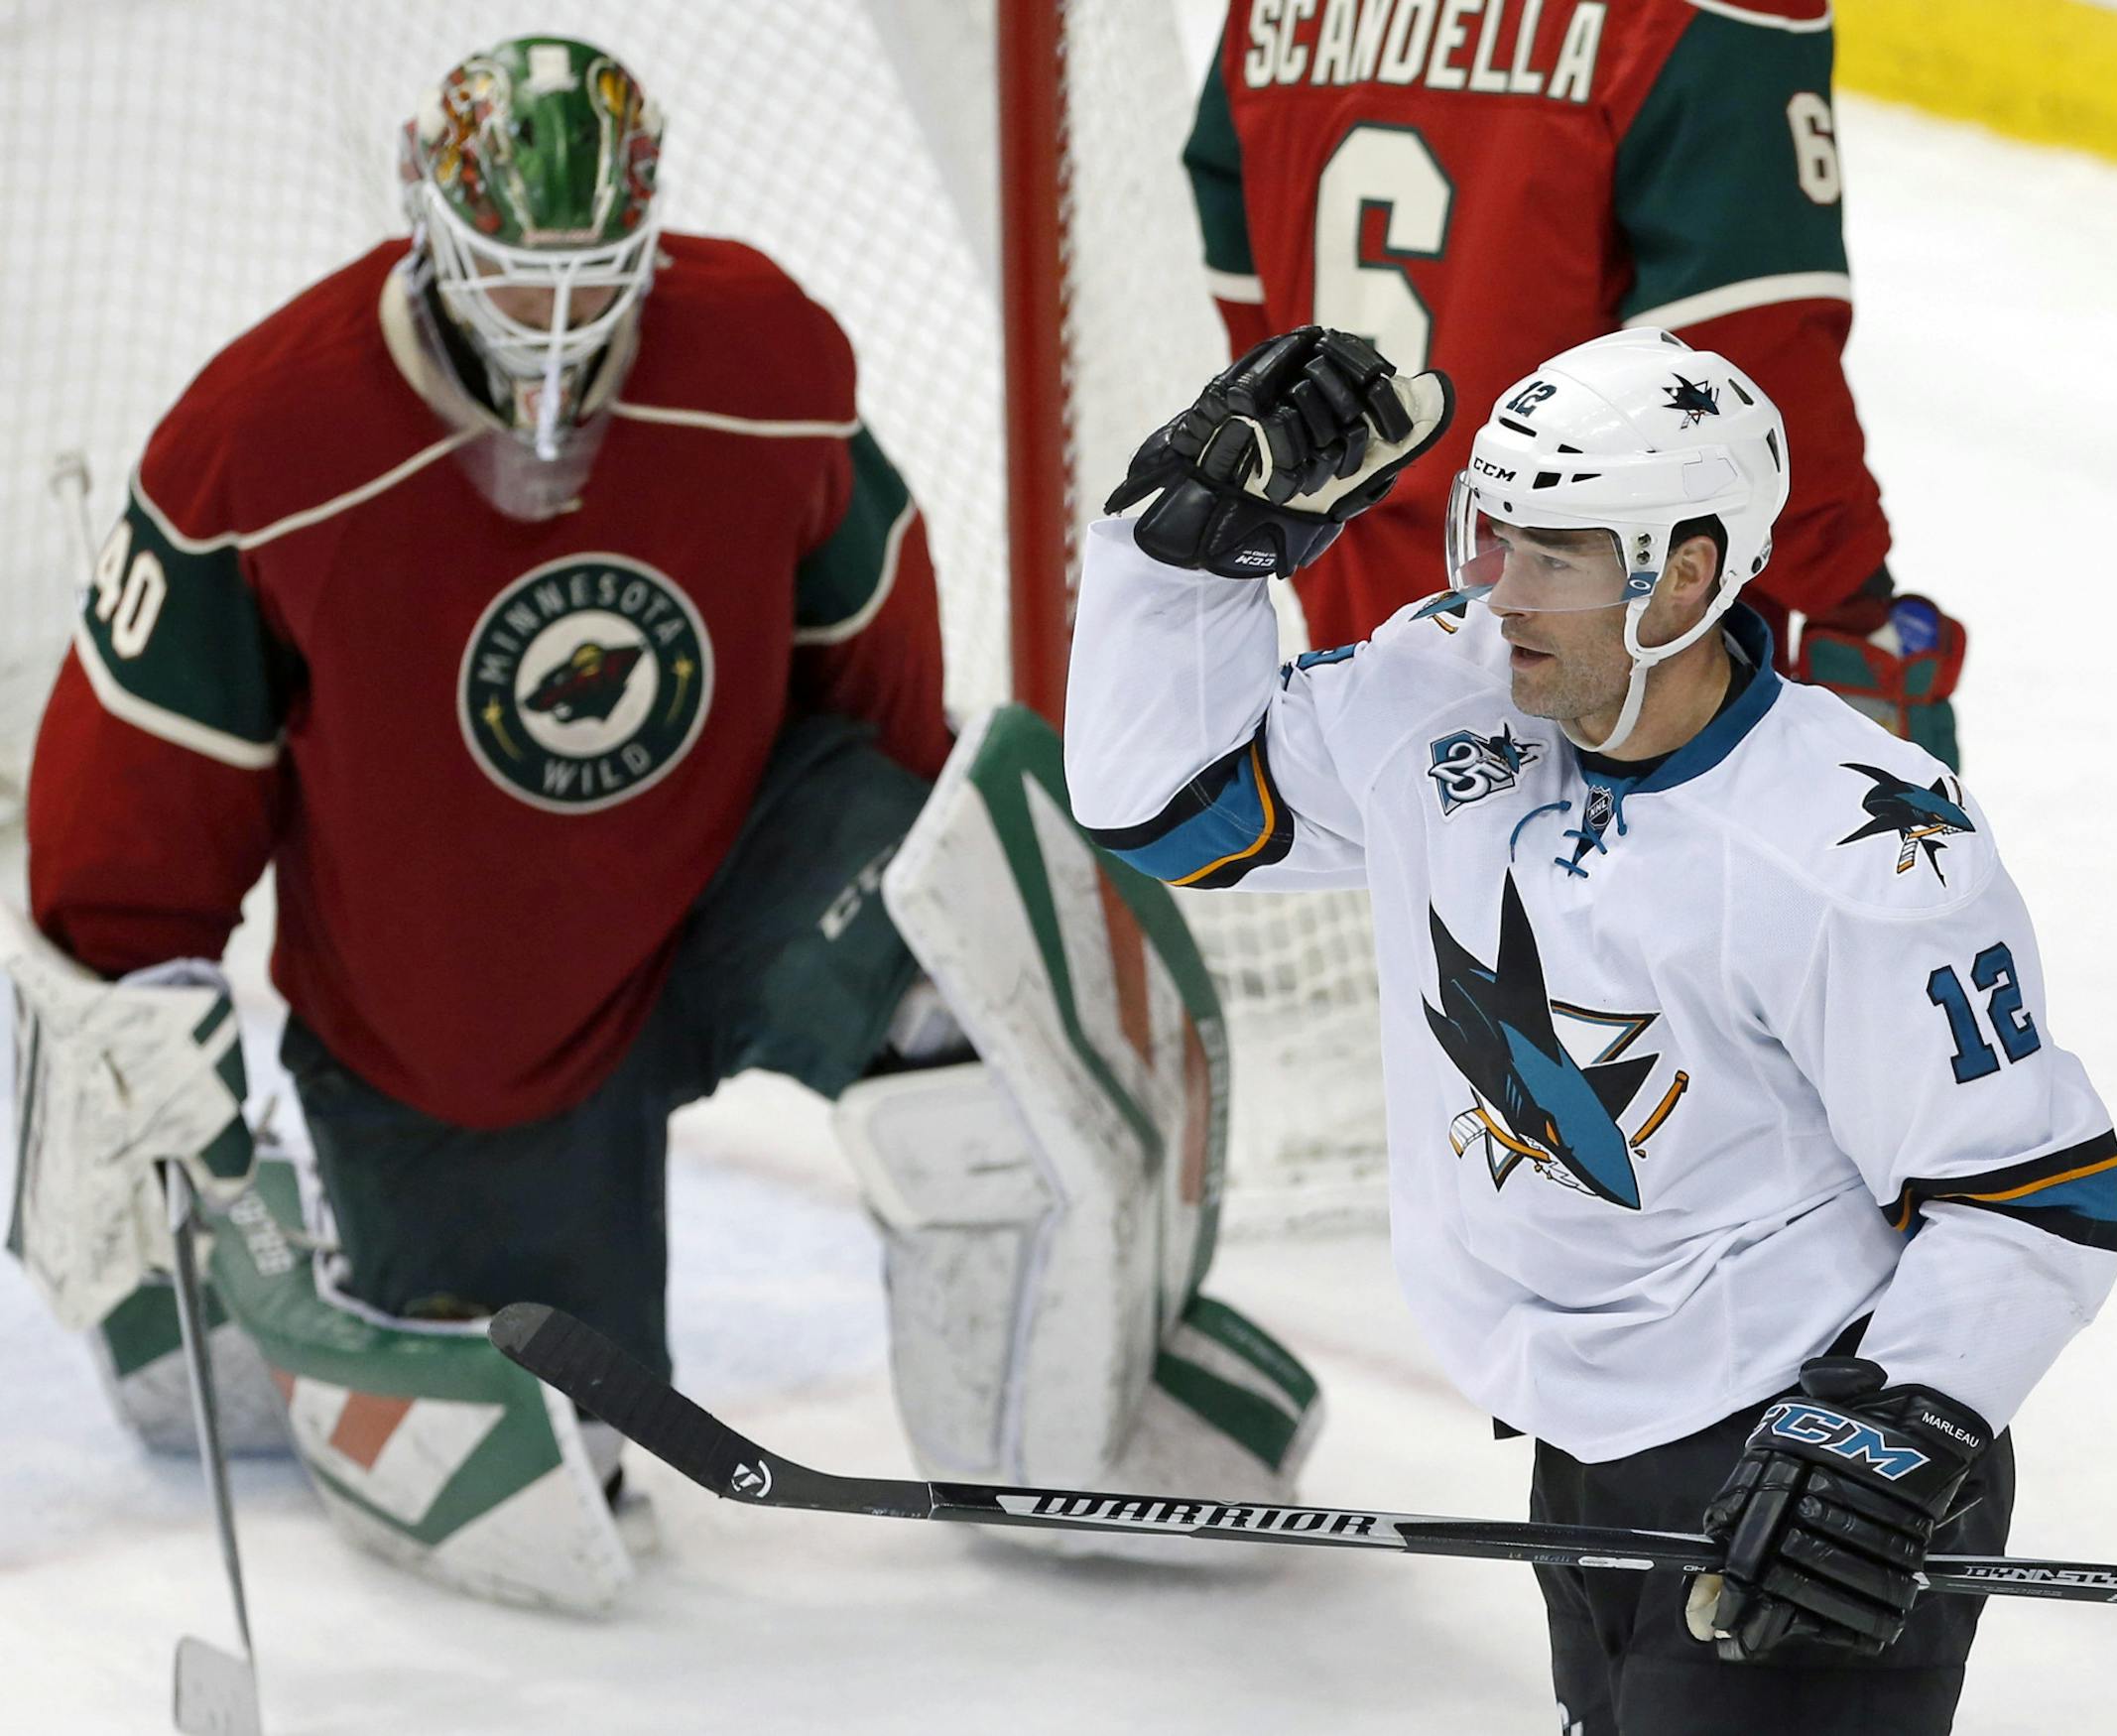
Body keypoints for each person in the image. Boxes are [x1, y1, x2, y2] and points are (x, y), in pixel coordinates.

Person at [16, 36, 1316, 1612]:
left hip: (721, 891)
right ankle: (215, 1314)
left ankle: (1081, 1400)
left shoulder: (758, 362)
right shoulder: (263, 447)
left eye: (595, 279)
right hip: (458, 1025)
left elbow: (883, 714)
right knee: (569, 1458)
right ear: (430, 225)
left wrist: (921, 916)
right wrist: (142, 1051)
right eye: (512, 276)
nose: (557, 330)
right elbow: (126, 823)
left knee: (972, 952)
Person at [1063, 324, 2117, 1733]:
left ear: (1687, 571)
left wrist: (1891, 1430)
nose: (1500, 592)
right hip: (1591, 1439)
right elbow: (1163, 805)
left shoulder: (1862, 847)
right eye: (1492, 535)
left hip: (1810, 1453)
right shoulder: (1443, 693)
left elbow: (2033, 1196)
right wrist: (1184, 560)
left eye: (1555, 554)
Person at [1181, 0, 1968, 765]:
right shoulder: (1709, 9)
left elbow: (1251, 283)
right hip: (1600, 618)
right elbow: (1750, 339)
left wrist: (1320, 463)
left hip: (1366, 591)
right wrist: (1850, 600)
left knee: (1430, 881)